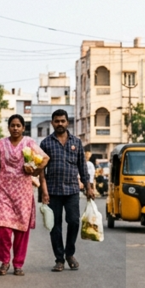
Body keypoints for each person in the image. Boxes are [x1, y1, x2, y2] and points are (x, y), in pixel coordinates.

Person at [0, 114, 47, 276]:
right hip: (3, 191)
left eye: (19, 125)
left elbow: (45, 158)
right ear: (8, 127)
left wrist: (34, 170)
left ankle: (18, 263)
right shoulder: (0, 144)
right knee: (3, 229)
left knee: (21, 231)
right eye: (13, 125)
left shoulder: (29, 143)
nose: (15, 128)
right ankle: (4, 262)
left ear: (23, 128)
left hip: (23, 193)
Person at [39, 109, 95, 272]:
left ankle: (69, 253)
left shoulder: (76, 142)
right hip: (53, 191)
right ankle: (59, 259)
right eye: (57, 121)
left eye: (62, 121)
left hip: (72, 190)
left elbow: (82, 167)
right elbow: (41, 169)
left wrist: (89, 187)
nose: (60, 124)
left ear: (67, 122)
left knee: (74, 221)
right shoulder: (46, 143)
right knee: (54, 225)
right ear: (52, 123)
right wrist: (43, 191)